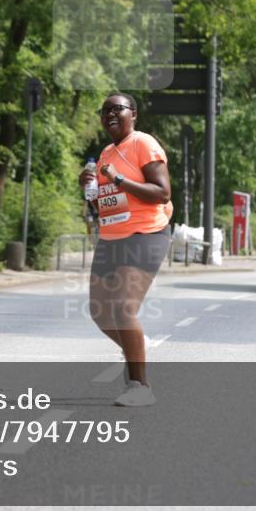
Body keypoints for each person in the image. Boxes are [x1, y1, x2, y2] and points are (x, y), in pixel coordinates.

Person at [79, 93, 172, 406]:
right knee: (99, 312)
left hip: (145, 234)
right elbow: (108, 204)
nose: (109, 115)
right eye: (104, 111)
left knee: (122, 309)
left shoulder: (142, 143)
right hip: (112, 237)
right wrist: (89, 191)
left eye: (116, 109)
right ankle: (136, 347)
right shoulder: (106, 153)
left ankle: (140, 386)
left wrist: (118, 179)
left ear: (134, 114)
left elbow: (161, 192)